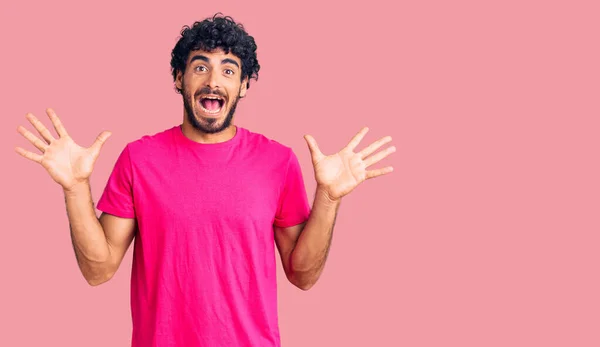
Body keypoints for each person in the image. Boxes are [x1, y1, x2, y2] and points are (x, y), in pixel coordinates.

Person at [15, 13, 395, 347]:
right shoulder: (139, 158)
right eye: (200, 67)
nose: (214, 80)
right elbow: (98, 270)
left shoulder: (277, 161)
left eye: (229, 70)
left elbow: (302, 275)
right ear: (179, 78)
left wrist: (328, 198)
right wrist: (75, 188)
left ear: (244, 85)